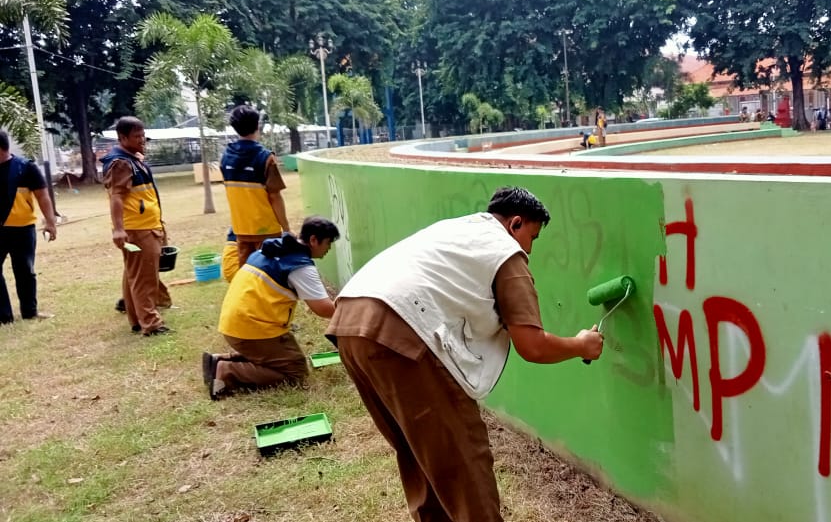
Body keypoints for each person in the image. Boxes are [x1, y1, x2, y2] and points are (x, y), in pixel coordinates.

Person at [327, 186, 604, 522]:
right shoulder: (505, 252)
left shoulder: (457, 230)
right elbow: (532, 346)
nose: (529, 248)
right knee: (464, 459)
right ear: (515, 223)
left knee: (419, 450)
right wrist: (581, 345)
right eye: (532, 237)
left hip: (350, 322)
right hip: (400, 331)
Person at [202, 216, 339, 400]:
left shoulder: (274, 248)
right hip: (252, 330)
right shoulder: (299, 266)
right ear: (314, 240)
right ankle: (227, 371)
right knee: (294, 373)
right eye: (328, 244)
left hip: (235, 323)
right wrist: (353, 310)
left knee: (286, 360)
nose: (328, 249)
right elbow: (323, 309)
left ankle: (221, 359)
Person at [101, 117, 170, 336]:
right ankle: (151, 324)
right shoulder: (121, 163)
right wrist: (119, 229)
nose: (142, 140)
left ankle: (137, 319)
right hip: (138, 229)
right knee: (145, 278)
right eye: (136, 137)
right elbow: (117, 197)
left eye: (143, 135)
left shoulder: (130, 159)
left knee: (134, 274)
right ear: (122, 138)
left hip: (145, 225)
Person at [221, 105, 291, 272]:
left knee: (248, 277)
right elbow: (275, 197)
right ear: (257, 126)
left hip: (241, 230)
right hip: (267, 232)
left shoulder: (226, 157)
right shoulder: (266, 158)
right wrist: (286, 229)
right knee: (269, 276)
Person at [0, 128, 57, 324]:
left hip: (22, 229)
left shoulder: (25, 167)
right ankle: (3, 316)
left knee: (25, 270)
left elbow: (43, 195)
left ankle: (29, 312)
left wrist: (50, 222)